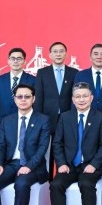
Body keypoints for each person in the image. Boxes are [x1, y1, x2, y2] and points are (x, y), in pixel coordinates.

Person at [45, 82, 102, 205]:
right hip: (69, 165)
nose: (81, 99)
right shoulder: (65, 117)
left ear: (91, 98)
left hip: (91, 165)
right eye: (78, 96)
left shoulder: (100, 117)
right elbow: (57, 143)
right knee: (56, 184)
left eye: (85, 96)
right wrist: (61, 163)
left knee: (86, 184)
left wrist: (94, 164)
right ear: (73, 99)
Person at [74, 43, 102, 181]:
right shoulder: (81, 75)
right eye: (96, 54)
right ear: (90, 57)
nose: (99, 57)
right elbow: (75, 99)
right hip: (85, 121)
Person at [33, 41, 78, 180]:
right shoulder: (42, 73)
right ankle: (47, 181)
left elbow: (75, 97)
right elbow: (38, 97)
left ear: (66, 54)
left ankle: (62, 178)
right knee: (47, 151)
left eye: (61, 51)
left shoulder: (74, 73)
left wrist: (73, 116)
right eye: (55, 51)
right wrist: (38, 118)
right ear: (50, 55)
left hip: (67, 118)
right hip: (47, 118)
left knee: (65, 149)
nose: (58, 54)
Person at [0, 47, 36, 128]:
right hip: (3, 124)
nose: (15, 61)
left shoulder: (33, 80)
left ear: (24, 61)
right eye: (13, 58)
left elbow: (35, 105)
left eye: (19, 59)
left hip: (25, 124)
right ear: (8, 61)